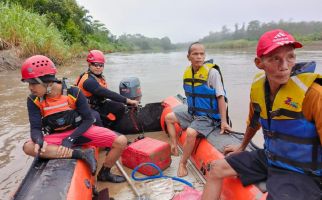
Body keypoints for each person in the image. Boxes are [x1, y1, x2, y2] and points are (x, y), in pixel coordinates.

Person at [201, 29, 322, 200]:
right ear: (259, 63)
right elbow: (253, 122)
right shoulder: (259, 89)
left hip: (302, 171)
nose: (285, 66)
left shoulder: (314, 94)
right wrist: (242, 147)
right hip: (269, 157)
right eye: (275, 59)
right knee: (215, 169)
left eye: (290, 57)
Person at [21, 55, 128, 183]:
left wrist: (70, 139)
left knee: (121, 141)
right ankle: (81, 154)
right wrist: (38, 140)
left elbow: (88, 120)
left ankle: (105, 173)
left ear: (48, 82)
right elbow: (36, 128)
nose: (30, 88)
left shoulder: (73, 92)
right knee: (28, 147)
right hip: (57, 137)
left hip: (80, 132)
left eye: (33, 83)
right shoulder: (33, 99)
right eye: (29, 84)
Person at [165, 42, 232, 177]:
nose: (199, 57)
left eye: (202, 54)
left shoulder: (212, 73)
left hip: (209, 117)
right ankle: (173, 144)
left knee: (190, 132)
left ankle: (182, 163)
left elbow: (221, 98)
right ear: (188, 56)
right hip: (193, 112)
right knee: (169, 118)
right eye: (195, 54)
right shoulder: (188, 72)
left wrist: (224, 121)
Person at [75, 50, 139, 128]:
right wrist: (128, 100)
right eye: (95, 64)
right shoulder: (88, 81)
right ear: (89, 65)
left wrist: (125, 102)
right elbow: (108, 94)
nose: (98, 67)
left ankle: (111, 127)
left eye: (101, 65)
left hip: (98, 104)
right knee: (97, 117)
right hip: (87, 108)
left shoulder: (97, 77)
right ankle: (104, 131)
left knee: (120, 107)